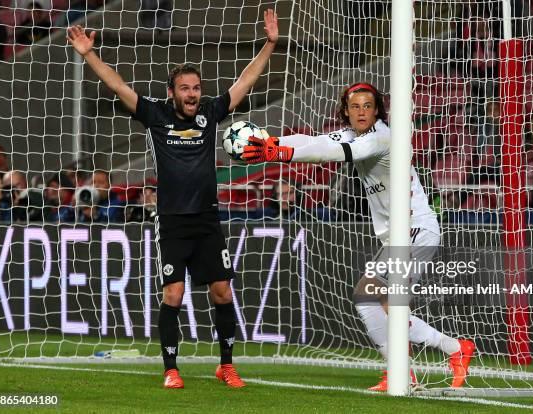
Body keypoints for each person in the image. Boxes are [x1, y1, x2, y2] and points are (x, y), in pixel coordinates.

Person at [67, 9, 278, 389]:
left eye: (196, 87)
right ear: (172, 92)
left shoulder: (211, 113)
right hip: (173, 220)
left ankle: (226, 365)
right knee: (174, 293)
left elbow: (244, 82)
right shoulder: (156, 114)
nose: (193, 94)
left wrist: (269, 44)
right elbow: (119, 87)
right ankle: (171, 369)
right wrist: (88, 54)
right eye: (185, 88)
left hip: (207, 218)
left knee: (221, 290)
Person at [242, 82, 475, 391]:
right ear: (346, 112)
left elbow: (342, 153)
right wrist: (272, 141)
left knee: (389, 302)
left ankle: (443, 355)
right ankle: (443, 354)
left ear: (377, 110)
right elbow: (315, 142)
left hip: (416, 227)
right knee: (368, 299)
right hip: (397, 235)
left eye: (368, 105)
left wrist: (281, 153)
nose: (362, 111)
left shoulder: (381, 136)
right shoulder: (354, 134)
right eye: (355, 106)